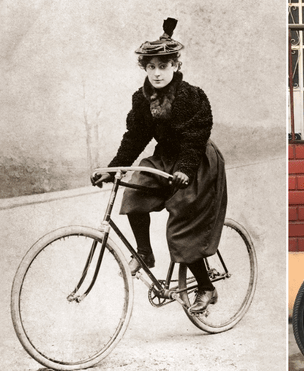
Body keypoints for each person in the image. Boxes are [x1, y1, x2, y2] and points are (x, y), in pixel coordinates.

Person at [91, 18, 227, 314]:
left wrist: (185, 170)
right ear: (145, 68)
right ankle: (145, 253)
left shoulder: (192, 96)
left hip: (197, 161)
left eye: (162, 66)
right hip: (165, 157)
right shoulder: (141, 100)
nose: (156, 73)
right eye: (150, 67)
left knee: (182, 228)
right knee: (135, 191)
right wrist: (112, 168)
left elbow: (195, 137)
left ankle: (206, 286)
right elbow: (135, 138)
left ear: (176, 66)